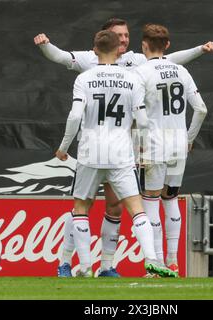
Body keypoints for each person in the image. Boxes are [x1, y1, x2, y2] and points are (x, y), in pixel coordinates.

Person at [34, 18, 213, 277]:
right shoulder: (93, 62)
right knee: (102, 206)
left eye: (126, 35)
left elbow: (167, 59)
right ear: (104, 39)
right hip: (125, 147)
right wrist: (45, 46)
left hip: (110, 149)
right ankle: (70, 261)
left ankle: (105, 265)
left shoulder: (135, 63)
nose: (123, 39)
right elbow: (63, 57)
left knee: (110, 207)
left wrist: (199, 49)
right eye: (118, 35)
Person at [55, 30, 177, 278]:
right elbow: (142, 120)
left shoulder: (85, 78)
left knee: (81, 207)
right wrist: (141, 145)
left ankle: (86, 266)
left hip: (90, 150)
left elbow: (75, 116)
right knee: (136, 208)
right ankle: (151, 258)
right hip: (121, 151)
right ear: (119, 49)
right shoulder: (131, 79)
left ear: (95, 49)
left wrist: (64, 147)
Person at [134, 24, 208, 275]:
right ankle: (173, 259)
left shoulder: (141, 72)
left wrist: (137, 146)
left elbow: (138, 115)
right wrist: (188, 139)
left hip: (153, 144)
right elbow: (201, 109)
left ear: (144, 45)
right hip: (178, 144)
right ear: (167, 45)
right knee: (171, 198)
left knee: (151, 201)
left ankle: (156, 265)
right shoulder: (181, 70)